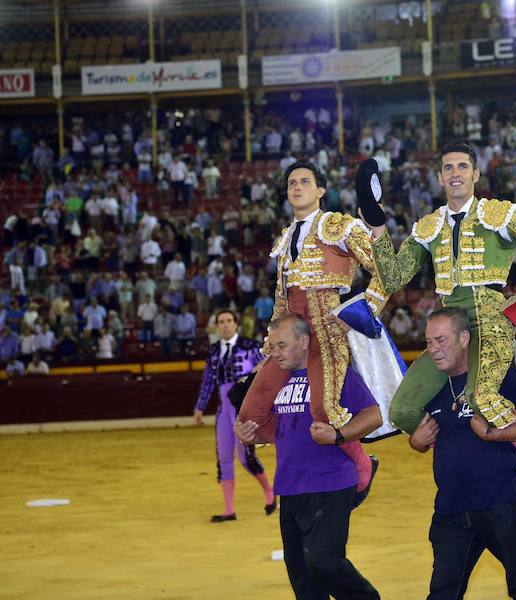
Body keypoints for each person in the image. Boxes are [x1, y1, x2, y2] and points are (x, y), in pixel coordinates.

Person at [362, 140, 516, 436]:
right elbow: (393, 278)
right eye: (448, 167)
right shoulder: (429, 226)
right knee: (401, 411)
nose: (455, 173)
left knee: (482, 399)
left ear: (476, 174)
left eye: (462, 166)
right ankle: (453, 445)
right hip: (450, 328)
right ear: (440, 177)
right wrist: (378, 229)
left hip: (492, 323)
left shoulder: (499, 215)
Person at [238, 160, 389, 503]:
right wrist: (269, 346)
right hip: (290, 334)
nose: (297, 187)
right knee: (251, 412)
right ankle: (306, 449)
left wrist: (363, 311)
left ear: (321, 191)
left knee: (325, 411)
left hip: (326, 327)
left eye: (305, 181)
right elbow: (281, 297)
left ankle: (362, 463)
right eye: (292, 182)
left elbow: (384, 267)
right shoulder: (285, 237)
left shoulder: (340, 226)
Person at [234, 314, 381, 600]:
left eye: (281, 345)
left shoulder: (334, 376)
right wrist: (251, 435)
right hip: (290, 486)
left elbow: (373, 416)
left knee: (324, 563)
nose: (275, 353)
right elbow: (281, 431)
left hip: (330, 484)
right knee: (302, 577)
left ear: (303, 342)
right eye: (272, 346)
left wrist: (338, 435)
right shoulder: (276, 381)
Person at [409, 308, 516, 600]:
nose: (433, 350)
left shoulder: (497, 376)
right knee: (442, 593)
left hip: (499, 501)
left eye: (440, 340)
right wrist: (416, 442)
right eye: (428, 342)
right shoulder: (433, 386)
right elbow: (424, 438)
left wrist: (493, 434)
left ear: (464, 338)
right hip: (451, 507)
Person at [193, 308, 274, 523]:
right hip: (223, 410)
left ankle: (269, 492)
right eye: (221, 322)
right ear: (217, 326)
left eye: (229, 321)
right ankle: (229, 509)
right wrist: (199, 408)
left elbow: (265, 371)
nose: (225, 325)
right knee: (224, 458)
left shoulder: (250, 347)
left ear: (236, 324)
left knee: (246, 457)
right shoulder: (212, 351)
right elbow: (208, 382)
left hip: (243, 408)